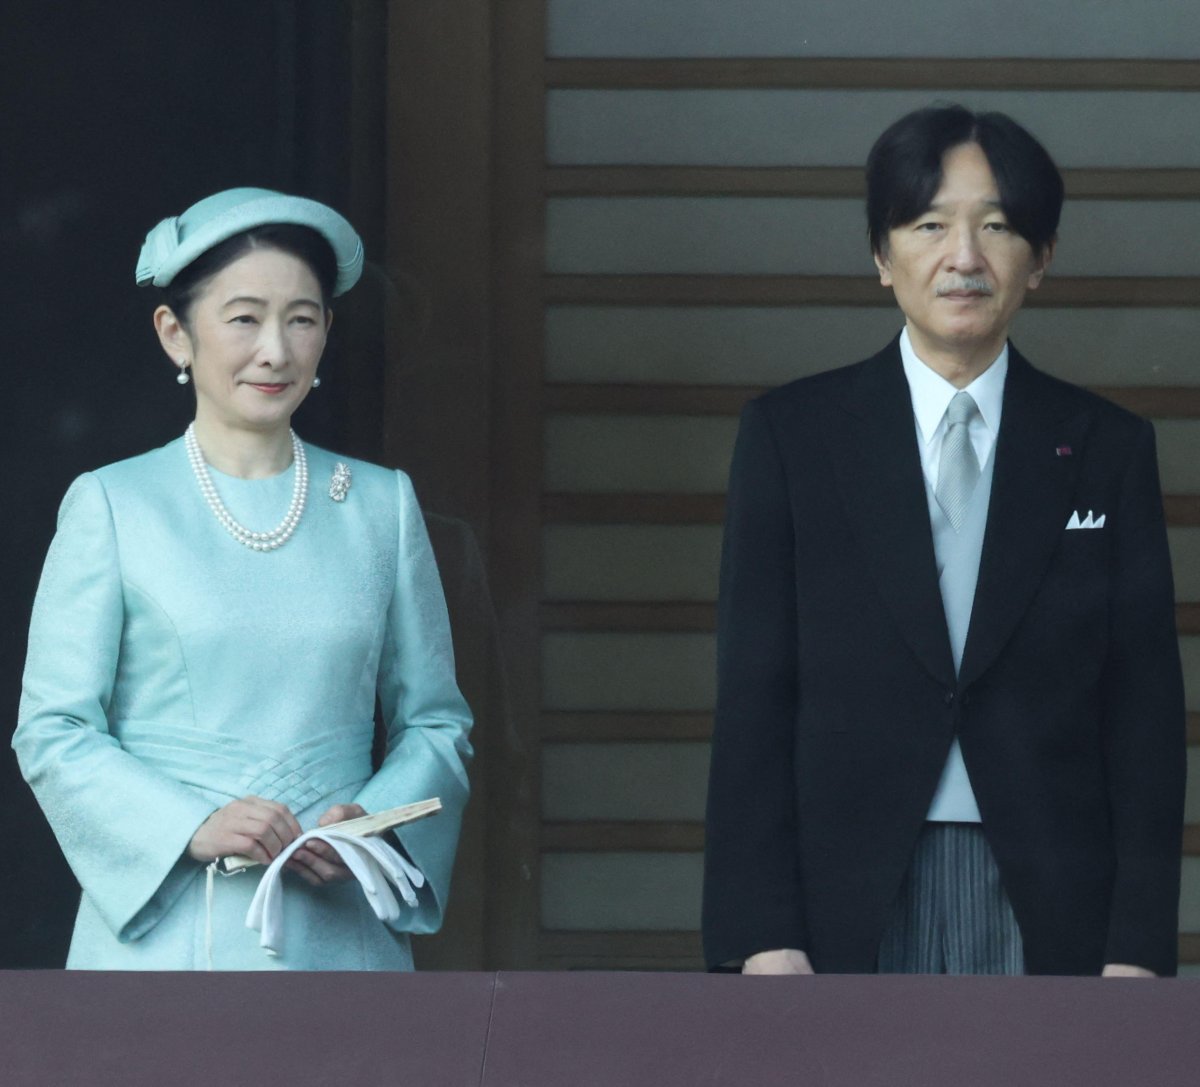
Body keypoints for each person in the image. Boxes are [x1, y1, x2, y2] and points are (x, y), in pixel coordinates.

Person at [702, 106, 1185, 977]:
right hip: (843, 890)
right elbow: (752, 701)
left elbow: (1145, 718)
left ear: (1040, 259)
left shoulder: (1107, 447)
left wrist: (1138, 948)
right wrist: (760, 932)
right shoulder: (793, 436)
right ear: (882, 256)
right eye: (930, 225)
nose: (964, 256)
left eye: (997, 226)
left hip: (1050, 893)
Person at [14, 188, 473, 970]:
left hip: (339, 928)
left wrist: (371, 821)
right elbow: (54, 729)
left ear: (327, 332)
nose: (275, 350)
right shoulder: (113, 504)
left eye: (301, 319)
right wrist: (189, 824)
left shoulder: (381, 505)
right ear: (175, 334)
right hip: (162, 940)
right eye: (244, 318)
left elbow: (436, 722)